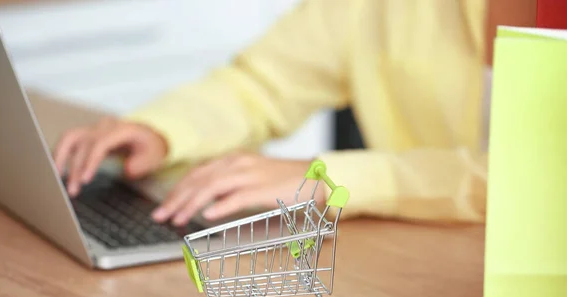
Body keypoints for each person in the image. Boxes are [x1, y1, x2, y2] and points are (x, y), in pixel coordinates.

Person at [53, 0, 491, 227]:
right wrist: (160, 131)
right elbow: (259, 85)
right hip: (420, 257)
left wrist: (337, 179)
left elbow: (546, 182)